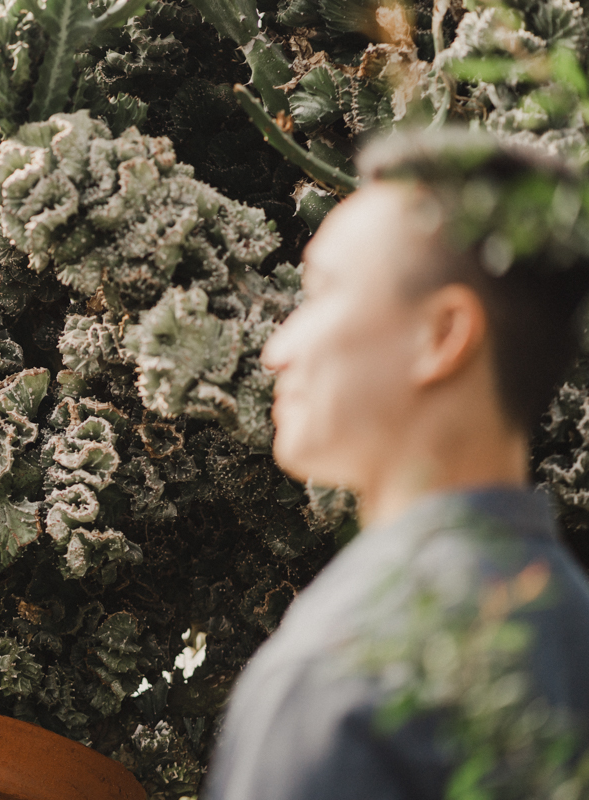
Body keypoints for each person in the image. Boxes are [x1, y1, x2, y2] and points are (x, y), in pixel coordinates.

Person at [204, 129, 589, 800]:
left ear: (442, 336)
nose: (277, 350)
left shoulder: (344, 665)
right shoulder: (568, 631)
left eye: (319, 293)